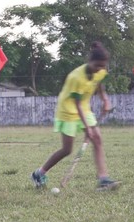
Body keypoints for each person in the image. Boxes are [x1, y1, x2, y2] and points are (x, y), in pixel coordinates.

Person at [30, 41, 120, 191]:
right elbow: (76, 104)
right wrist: (87, 128)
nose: (100, 69)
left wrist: (105, 99)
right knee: (67, 149)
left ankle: (103, 179)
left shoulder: (100, 70)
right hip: (68, 110)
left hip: (84, 108)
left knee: (97, 139)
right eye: (97, 65)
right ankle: (39, 173)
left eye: (102, 66)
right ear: (90, 61)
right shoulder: (76, 77)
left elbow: (98, 84)